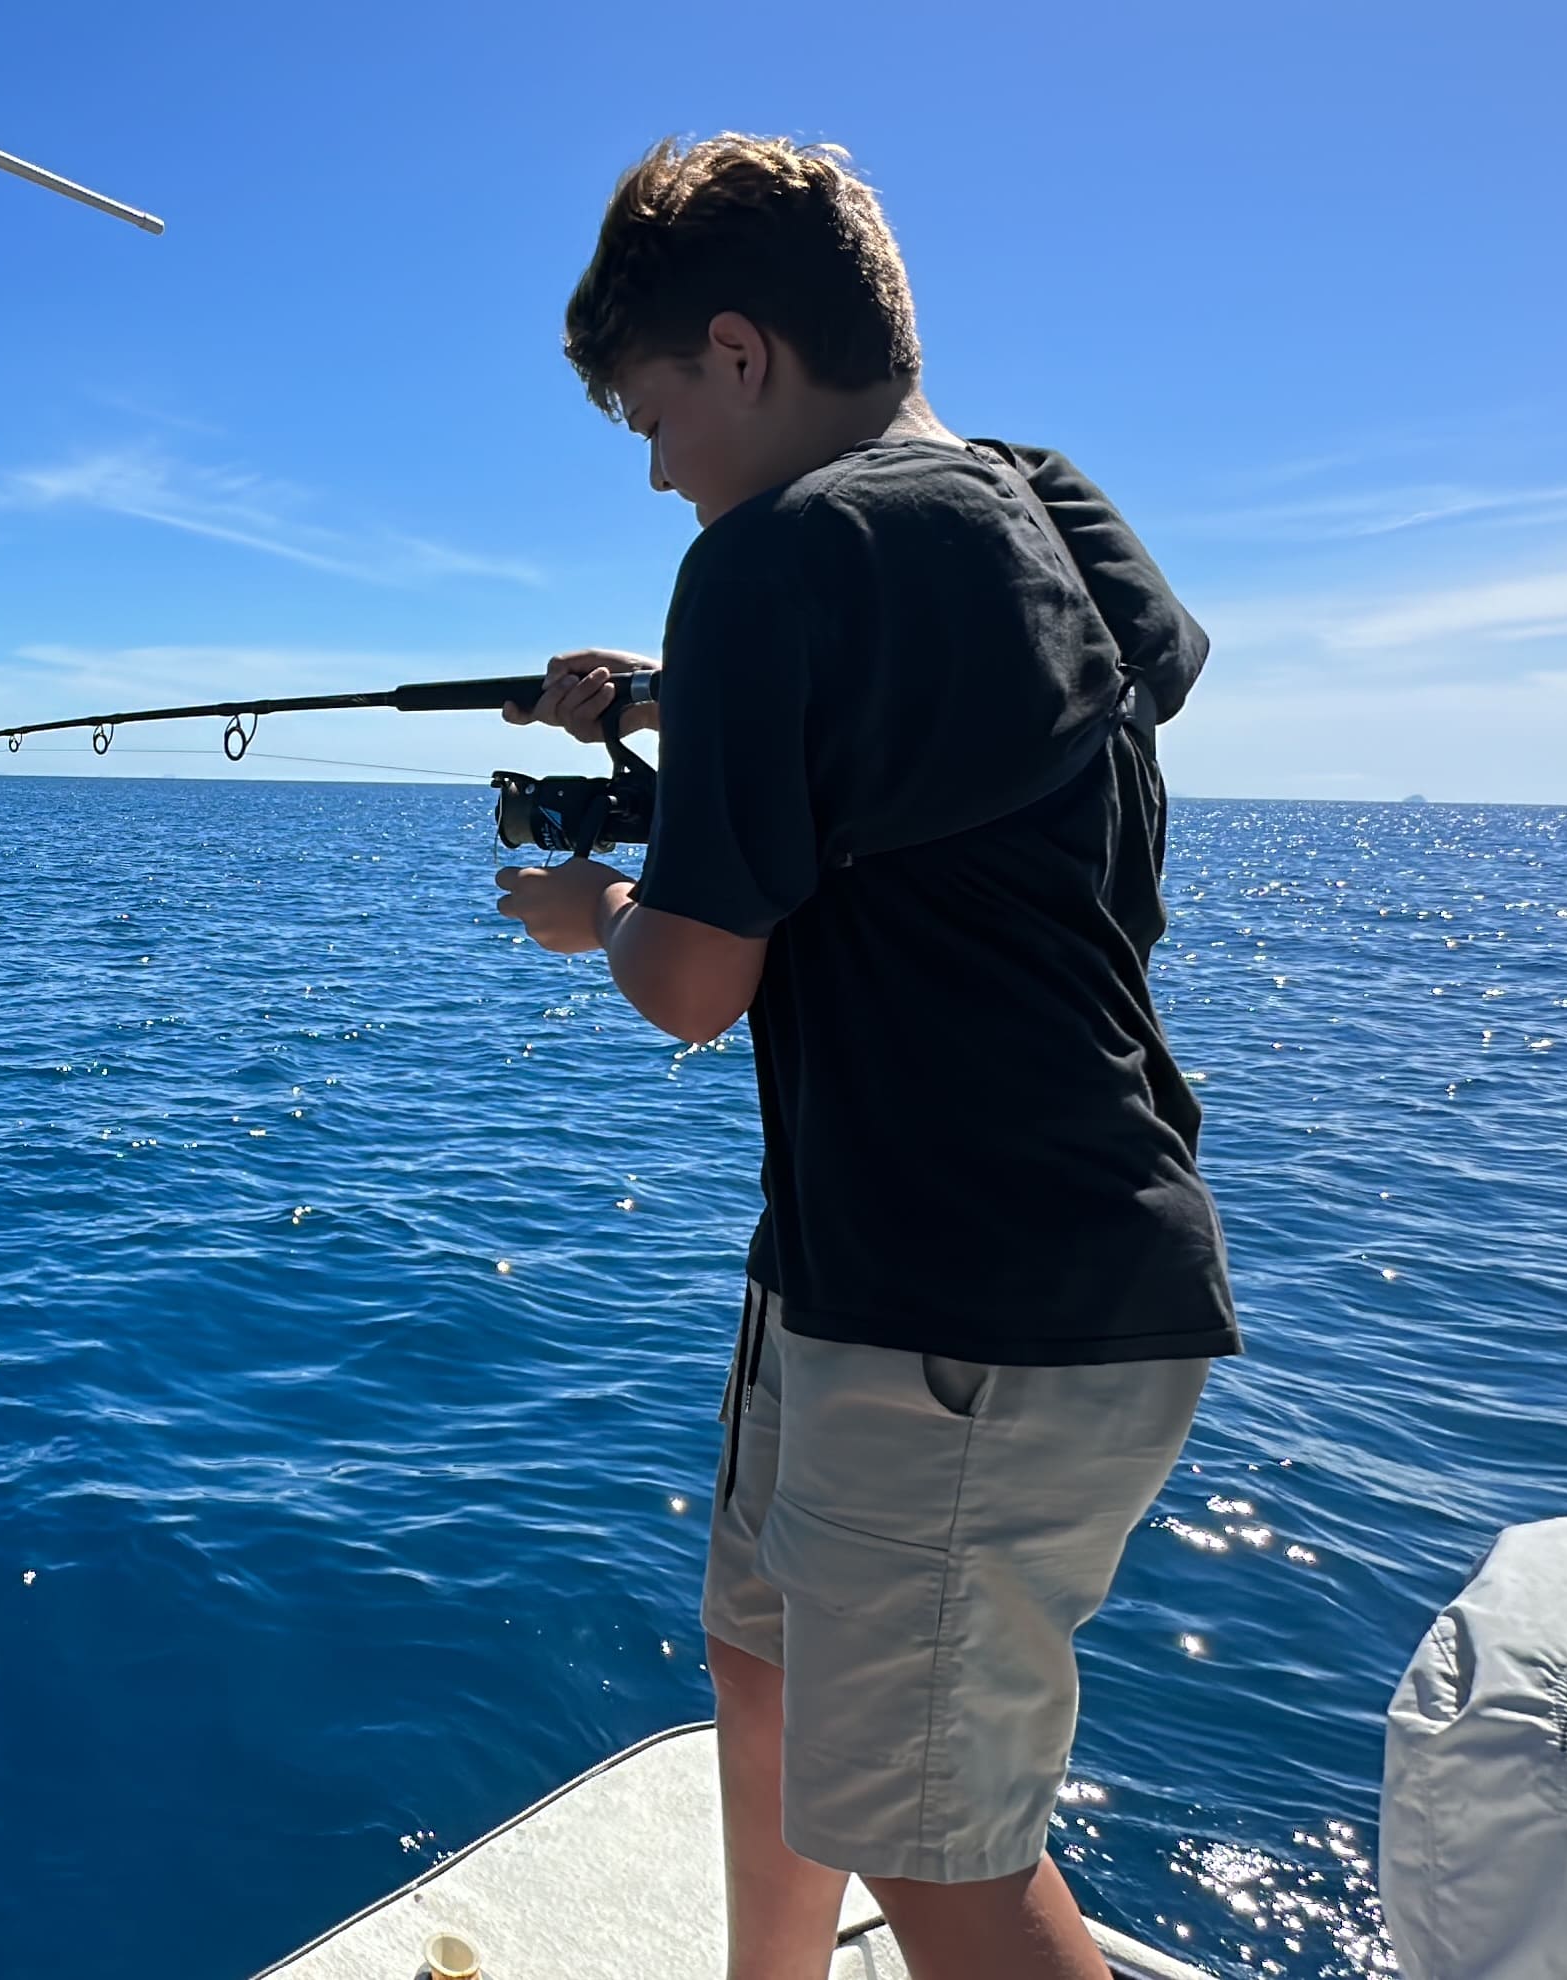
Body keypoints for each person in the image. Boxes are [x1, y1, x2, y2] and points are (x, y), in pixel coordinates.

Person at [491, 134, 1238, 1980]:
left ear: (738, 353)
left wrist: (582, 911)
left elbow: (692, 983)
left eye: (650, 418)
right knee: (762, 1651)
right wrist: (676, 703)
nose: (659, 470)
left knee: (944, 1862)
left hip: (959, 1305)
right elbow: (983, 692)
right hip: (918, 1269)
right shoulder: (1037, 499)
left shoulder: (762, 566)